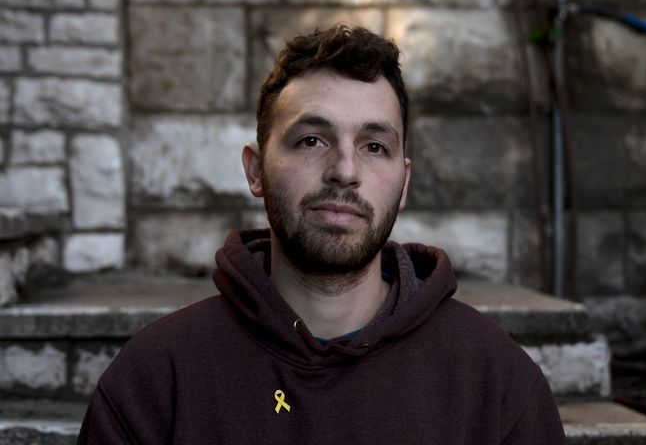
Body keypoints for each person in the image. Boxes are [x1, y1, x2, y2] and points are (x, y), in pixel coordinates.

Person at [77, 24, 565, 444]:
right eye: (312, 140)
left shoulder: (497, 383)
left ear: (403, 184)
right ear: (256, 170)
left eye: (374, 146)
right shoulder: (157, 378)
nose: (345, 171)